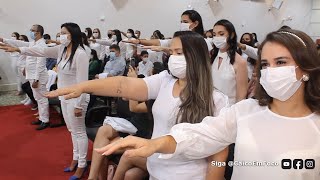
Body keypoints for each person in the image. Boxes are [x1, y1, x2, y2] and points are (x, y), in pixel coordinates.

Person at [91, 29, 320, 180]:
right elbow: (202, 135)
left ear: (306, 66)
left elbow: (218, 159)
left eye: (281, 62)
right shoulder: (246, 112)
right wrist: (158, 143)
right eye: (266, 65)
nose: (271, 72)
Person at [46, 31, 229, 180]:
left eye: (179, 53)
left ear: (197, 56)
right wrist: (83, 87)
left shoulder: (216, 99)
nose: (173, 58)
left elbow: (219, 157)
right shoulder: (166, 80)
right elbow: (123, 85)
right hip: (156, 171)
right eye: (171, 53)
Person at [1, 22, 90, 180]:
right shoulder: (62, 49)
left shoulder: (80, 54)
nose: (61, 36)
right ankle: (75, 159)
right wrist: (18, 49)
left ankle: (82, 165)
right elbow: (41, 50)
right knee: (71, 131)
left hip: (77, 99)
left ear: (73, 34)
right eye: (60, 32)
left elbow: (83, 83)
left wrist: (78, 105)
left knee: (79, 132)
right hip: (64, 96)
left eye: (64, 33)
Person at [0, 24, 50, 130]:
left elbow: (40, 65)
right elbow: (20, 43)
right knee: (37, 98)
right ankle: (41, 118)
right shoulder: (33, 43)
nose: (30, 31)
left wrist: (36, 79)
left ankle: (45, 120)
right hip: (32, 75)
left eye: (33, 30)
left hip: (38, 77)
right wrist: (3, 39)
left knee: (42, 99)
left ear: (38, 32)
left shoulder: (41, 45)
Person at [123, 10, 213, 53]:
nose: (182, 24)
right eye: (181, 22)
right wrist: (139, 41)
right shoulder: (179, 39)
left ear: (195, 23)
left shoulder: (204, 42)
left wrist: (165, 50)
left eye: (185, 22)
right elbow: (161, 42)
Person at [211, 19, 248, 105]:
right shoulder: (213, 56)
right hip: (210, 106)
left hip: (228, 109)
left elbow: (241, 96)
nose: (217, 37)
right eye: (214, 35)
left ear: (231, 35)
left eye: (221, 34)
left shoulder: (240, 62)